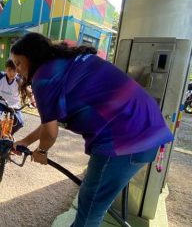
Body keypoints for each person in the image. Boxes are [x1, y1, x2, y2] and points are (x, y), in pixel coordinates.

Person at [11, 33, 174, 227]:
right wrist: (26, 142)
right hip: (146, 129)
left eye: (19, 63)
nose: (18, 70)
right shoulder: (65, 64)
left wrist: (42, 151)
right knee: (93, 203)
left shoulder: (43, 77)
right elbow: (49, 123)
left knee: (89, 211)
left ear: (33, 57)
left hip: (124, 139)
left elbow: (51, 133)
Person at [0, 59, 33, 145]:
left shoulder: (18, 79)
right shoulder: (1, 75)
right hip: (2, 101)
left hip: (14, 105)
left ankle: (8, 134)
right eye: (9, 70)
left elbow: (26, 90)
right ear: (6, 69)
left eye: (14, 71)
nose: (12, 73)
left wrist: (32, 99)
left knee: (20, 122)